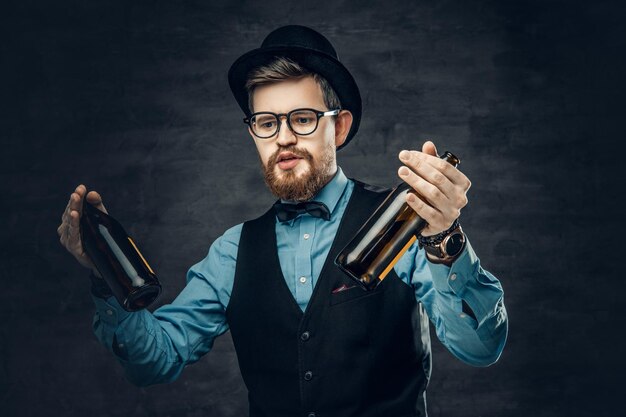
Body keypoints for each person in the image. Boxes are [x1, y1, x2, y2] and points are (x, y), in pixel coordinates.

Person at [57, 25, 508, 417]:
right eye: (267, 122)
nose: (285, 137)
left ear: (341, 126)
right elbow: (153, 362)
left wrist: (444, 237)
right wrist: (107, 276)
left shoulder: (404, 224)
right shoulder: (232, 253)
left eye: (304, 118)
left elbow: (480, 347)